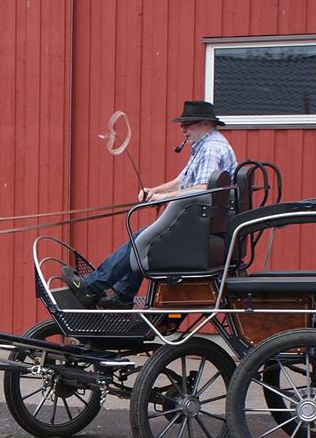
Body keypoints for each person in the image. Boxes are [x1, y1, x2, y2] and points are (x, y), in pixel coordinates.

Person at [63, 100, 237, 308]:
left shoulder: (211, 148)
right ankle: (122, 295)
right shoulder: (204, 146)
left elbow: (203, 189)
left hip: (197, 229)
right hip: (197, 225)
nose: (182, 129)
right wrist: (155, 191)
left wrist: (164, 199)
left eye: (187, 124)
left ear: (206, 124)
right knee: (143, 239)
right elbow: (182, 181)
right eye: (182, 124)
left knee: (141, 241)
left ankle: (92, 287)